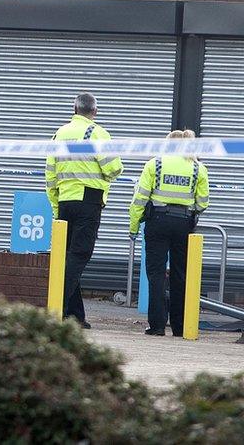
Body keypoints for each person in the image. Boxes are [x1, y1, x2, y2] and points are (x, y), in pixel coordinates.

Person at [45, 93, 123, 328]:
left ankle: (75, 315)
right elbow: (114, 167)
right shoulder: (97, 133)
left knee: (69, 257)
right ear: (95, 112)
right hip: (89, 200)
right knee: (80, 256)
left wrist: (55, 204)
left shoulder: (59, 133)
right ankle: (55, 310)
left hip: (65, 202)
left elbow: (50, 173)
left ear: (74, 109)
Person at [129, 130, 209, 337]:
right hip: (184, 223)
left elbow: (139, 199)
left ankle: (156, 326)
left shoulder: (154, 164)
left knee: (156, 274)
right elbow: (203, 202)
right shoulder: (198, 168)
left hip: (157, 220)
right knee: (180, 274)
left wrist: (134, 227)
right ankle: (180, 326)